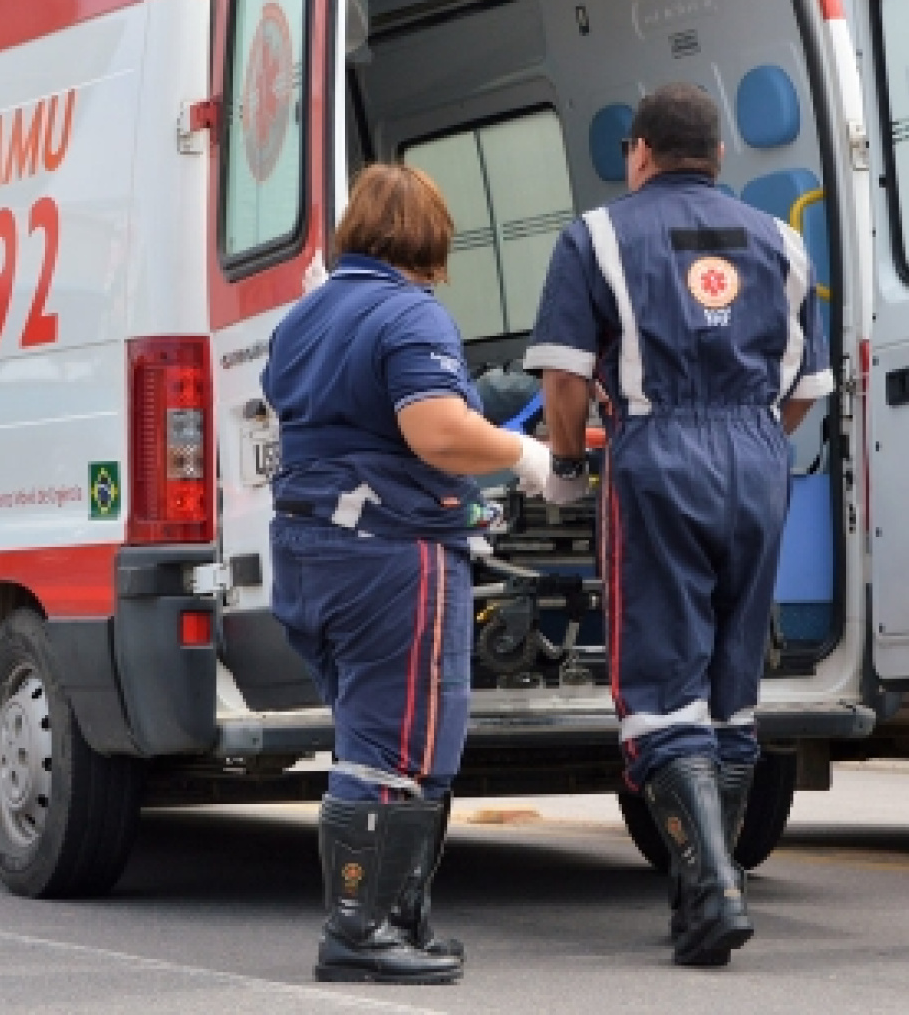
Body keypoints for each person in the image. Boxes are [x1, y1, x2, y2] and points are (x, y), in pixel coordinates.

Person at [523, 82, 833, 967]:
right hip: (758, 459)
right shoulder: (782, 241)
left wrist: (572, 470)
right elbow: (806, 390)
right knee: (731, 688)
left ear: (640, 151)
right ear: (721, 157)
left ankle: (713, 888)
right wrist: (751, 452)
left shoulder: (596, 237)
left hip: (655, 456)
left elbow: (564, 384)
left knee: (658, 687)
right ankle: (705, 887)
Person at [261, 163, 551, 985]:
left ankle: (395, 917)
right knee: (395, 743)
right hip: (388, 552)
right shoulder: (407, 313)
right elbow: (436, 430)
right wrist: (526, 456)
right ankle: (360, 927)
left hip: (312, 548)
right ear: (426, 240)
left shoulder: (304, 317)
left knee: (379, 732)